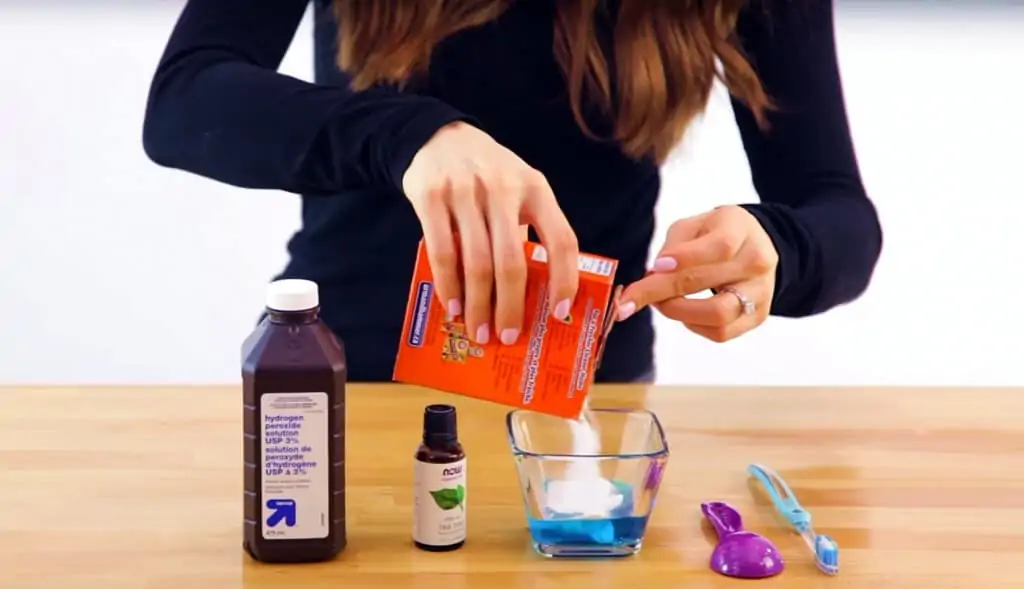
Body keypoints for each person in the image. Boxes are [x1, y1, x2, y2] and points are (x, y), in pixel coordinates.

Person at [142, 0, 882, 383]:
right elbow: (185, 101)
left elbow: (837, 210)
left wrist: (777, 248)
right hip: (349, 386)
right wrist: (410, 136)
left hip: (586, 411)